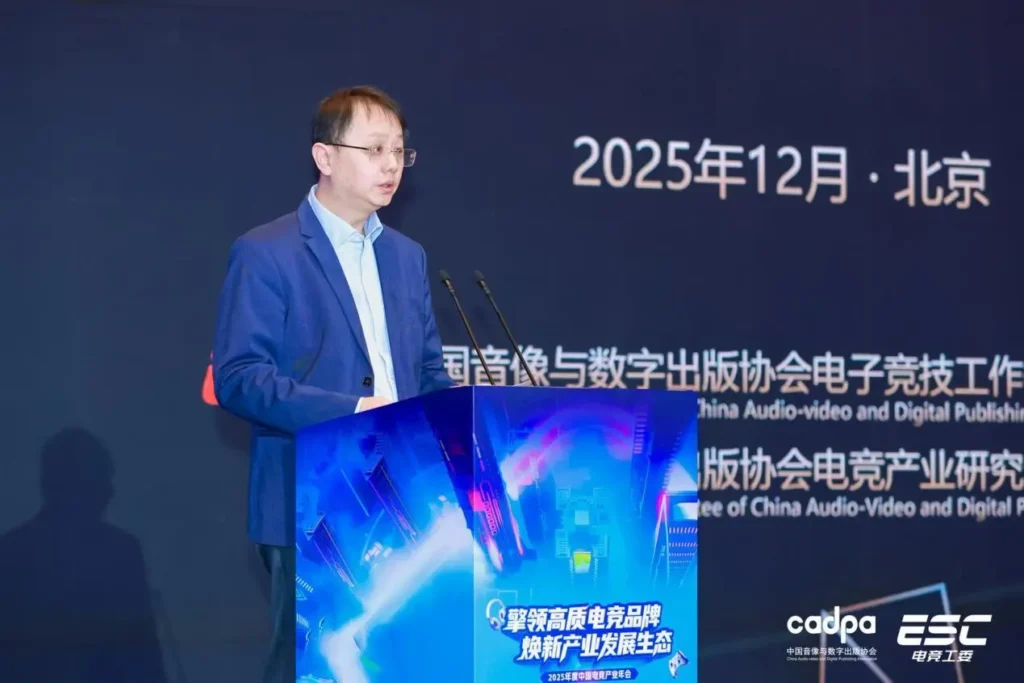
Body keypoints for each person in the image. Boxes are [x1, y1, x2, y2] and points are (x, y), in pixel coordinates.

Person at [211, 85, 455, 683]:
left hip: (406, 498)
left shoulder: (407, 257)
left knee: (403, 661)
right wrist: (354, 411)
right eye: (374, 149)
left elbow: (426, 373)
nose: (391, 165)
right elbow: (239, 378)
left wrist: (462, 421)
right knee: (308, 664)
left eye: (399, 151)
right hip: (311, 498)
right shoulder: (266, 252)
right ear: (324, 156)